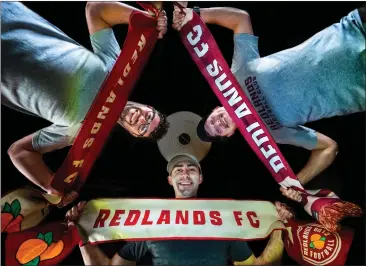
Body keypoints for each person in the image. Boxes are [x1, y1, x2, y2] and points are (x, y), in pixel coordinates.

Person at [173, 4, 366, 188]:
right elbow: (328, 148)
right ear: (229, 133)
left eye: (211, 121)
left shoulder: (235, 76)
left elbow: (241, 20)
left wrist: (196, 15)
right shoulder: (272, 135)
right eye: (217, 131)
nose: (217, 123)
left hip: (354, 32)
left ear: (216, 109)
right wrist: (296, 184)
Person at [1, 2, 170, 201]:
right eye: (149, 116)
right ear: (146, 106)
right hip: (7, 17)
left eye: (143, 128)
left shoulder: (82, 133)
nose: (143, 120)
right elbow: (95, 9)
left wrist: (51, 186)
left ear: (133, 134)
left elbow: (19, 152)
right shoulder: (117, 68)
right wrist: (144, 18)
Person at [67, 153, 294, 265]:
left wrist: (278, 228)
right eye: (178, 170)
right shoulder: (148, 223)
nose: (185, 173)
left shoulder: (226, 222)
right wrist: (81, 234)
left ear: (201, 178)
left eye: (191, 169)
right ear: (169, 180)